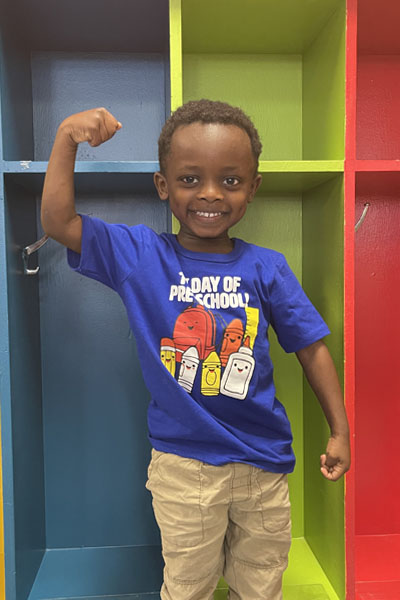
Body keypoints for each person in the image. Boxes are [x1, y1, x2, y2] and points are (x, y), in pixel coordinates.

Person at [41, 99, 351, 600]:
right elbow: (59, 222)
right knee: (188, 588)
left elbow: (311, 348)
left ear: (253, 188)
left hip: (263, 464)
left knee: (260, 585)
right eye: (189, 179)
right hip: (184, 468)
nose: (210, 194)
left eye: (230, 180)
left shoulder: (266, 267)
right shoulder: (140, 255)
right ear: (163, 186)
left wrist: (340, 430)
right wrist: (65, 138)